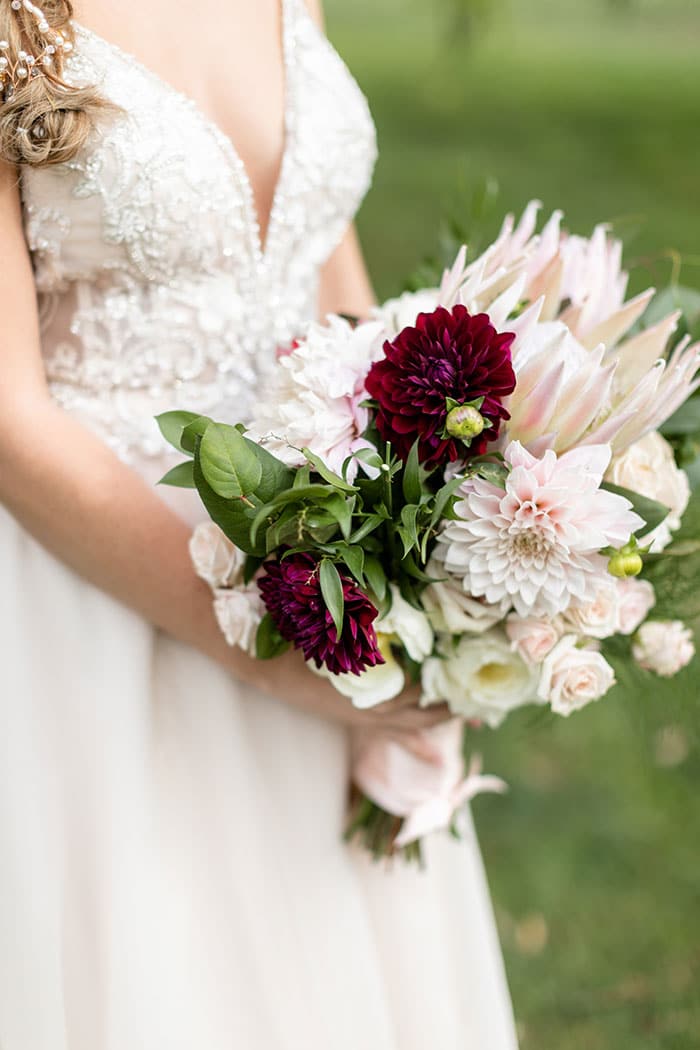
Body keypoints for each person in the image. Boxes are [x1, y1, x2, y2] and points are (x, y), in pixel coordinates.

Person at [0, 0, 519, 1046]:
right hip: (96, 611)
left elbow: (319, 261)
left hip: (328, 567)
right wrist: (273, 657)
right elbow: (8, 417)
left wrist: (430, 548)